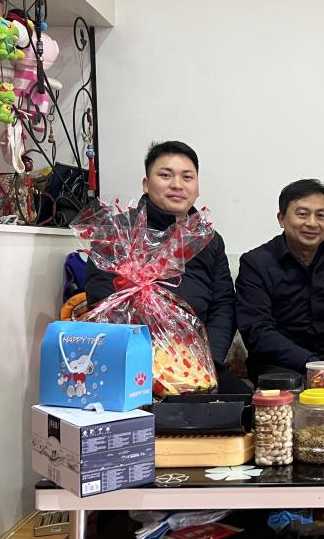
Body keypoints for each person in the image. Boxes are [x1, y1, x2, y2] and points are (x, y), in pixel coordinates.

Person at [84, 140, 250, 394]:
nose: (177, 185)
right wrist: (150, 359)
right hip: (133, 360)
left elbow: (223, 305)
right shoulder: (117, 232)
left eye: (187, 177)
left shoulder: (209, 240)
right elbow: (102, 299)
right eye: (165, 175)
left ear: (197, 187)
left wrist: (208, 360)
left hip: (196, 361)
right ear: (146, 183)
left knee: (246, 403)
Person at [235, 179, 324, 384]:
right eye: (302, 214)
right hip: (280, 365)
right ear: (281, 218)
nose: (312, 223)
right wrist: (311, 363)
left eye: (321, 215)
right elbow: (257, 329)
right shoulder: (256, 263)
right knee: (288, 390)